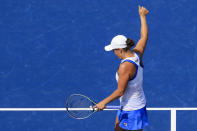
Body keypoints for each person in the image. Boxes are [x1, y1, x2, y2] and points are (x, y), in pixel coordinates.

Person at [94, 6, 149, 131]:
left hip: (132, 110)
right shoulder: (137, 54)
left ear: (119, 49)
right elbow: (144, 37)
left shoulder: (125, 66)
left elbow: (120, 91)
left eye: (114, 50)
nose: (114, 53)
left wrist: (103, 102)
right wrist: (143, 17)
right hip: (135, 105)